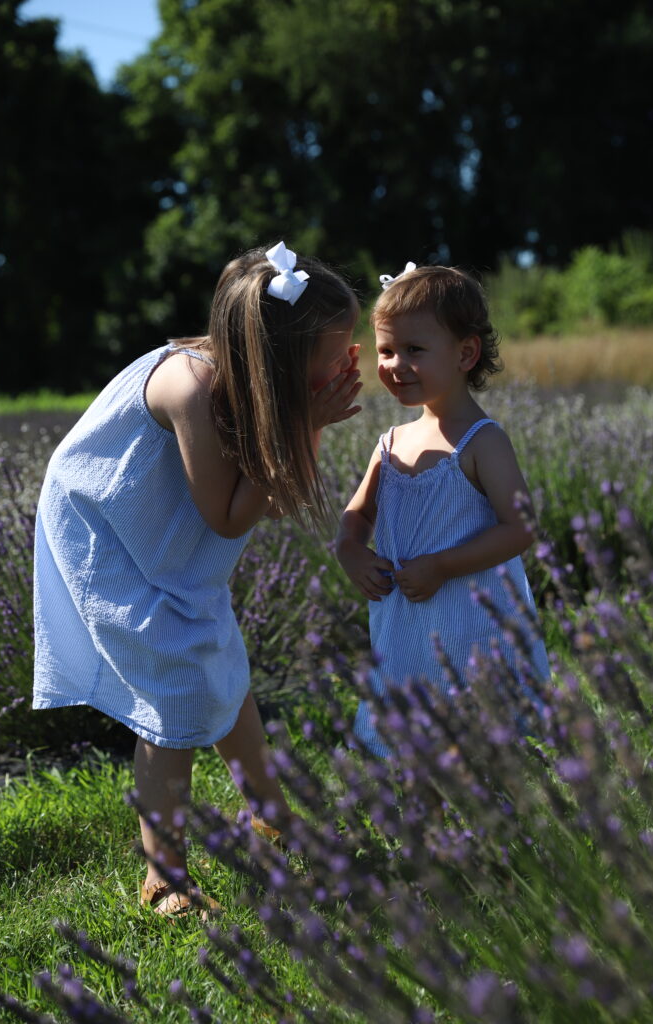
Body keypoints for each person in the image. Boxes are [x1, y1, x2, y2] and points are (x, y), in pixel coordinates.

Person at [33, 241, 361, 916]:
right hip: (107, 527)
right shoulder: (192, 386)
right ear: (276, 358)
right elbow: (227, 515)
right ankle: (164, 873)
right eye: (333, 352)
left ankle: (267, 814)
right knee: (175, 684)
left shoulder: (251, 385)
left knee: (215, 650)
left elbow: (278, 495)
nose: (344, 363)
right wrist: (309, 421)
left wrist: (308, 420)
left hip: (161, 520)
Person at [336, 262, 549, 758]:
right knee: (417, 749)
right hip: (406, 631)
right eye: (386, 350)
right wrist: (350, 550)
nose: (393, 364)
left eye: (414, 350)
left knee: (483, 748)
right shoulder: (391, 442)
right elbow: (357, 515)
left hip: (471, 627)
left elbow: (521, 528)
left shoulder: (482, 441)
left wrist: (443, 565)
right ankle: (428, 829)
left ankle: (496, 829)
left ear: (465, 353)